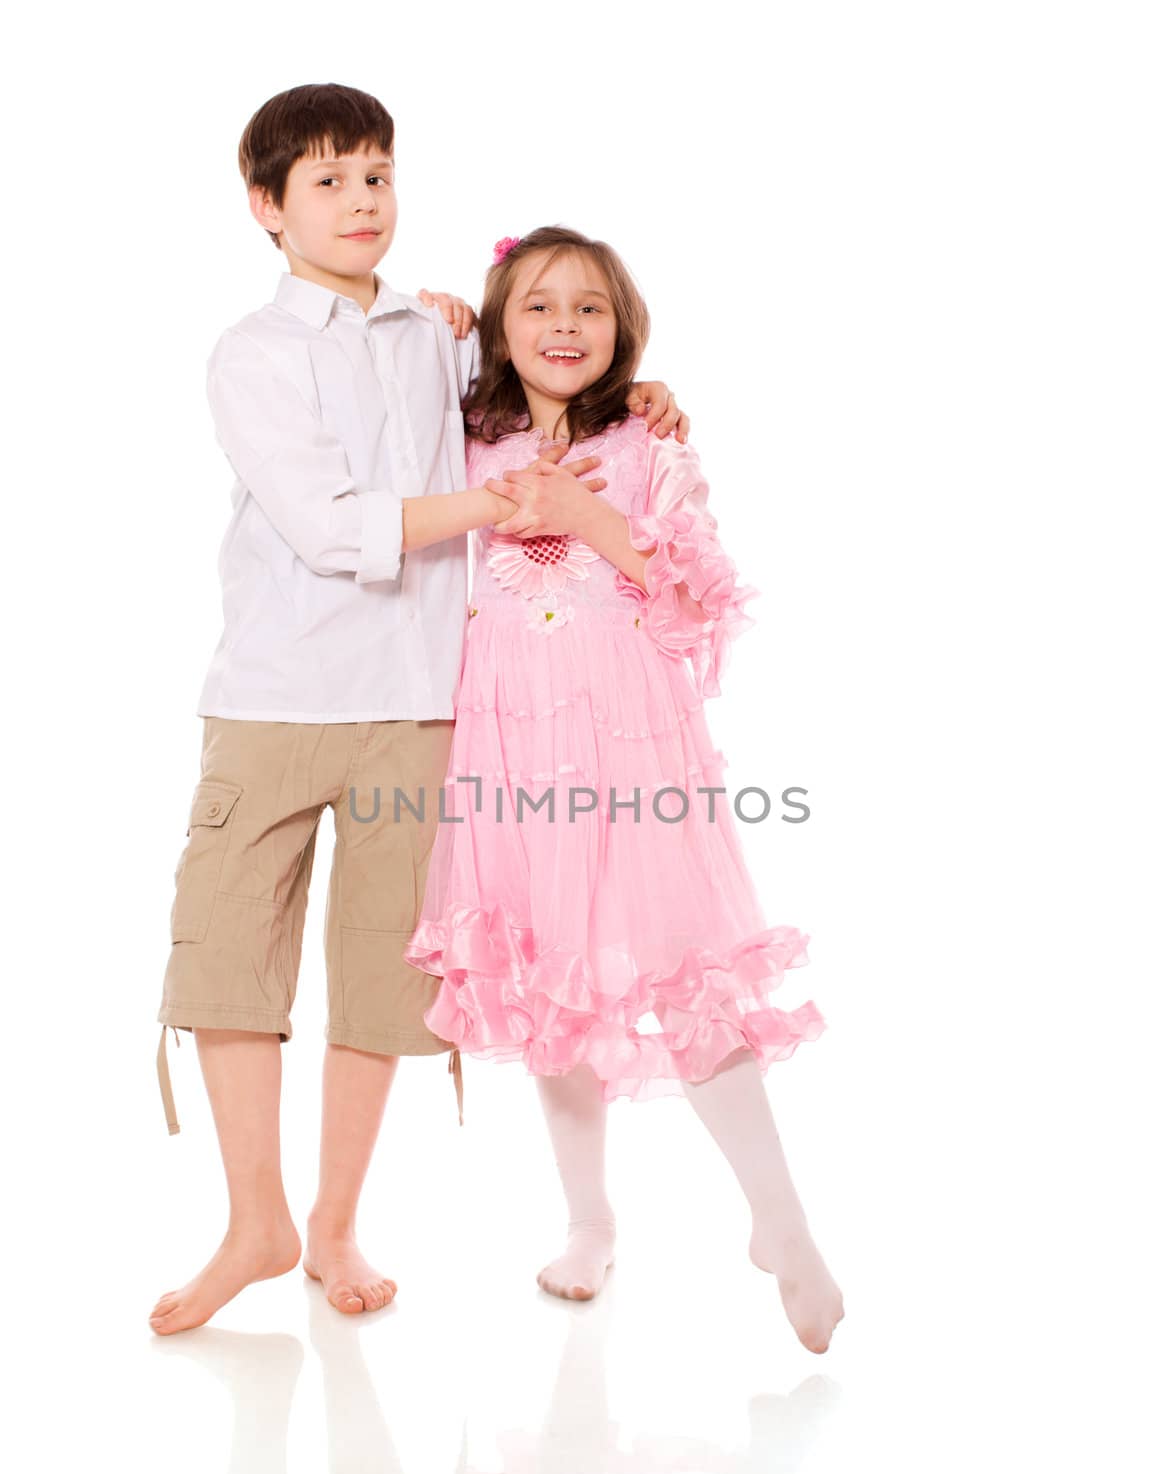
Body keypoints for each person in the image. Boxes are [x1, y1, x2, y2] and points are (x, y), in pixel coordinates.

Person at [149, 89, 684, 1336]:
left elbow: (553, 390)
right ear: (266, 207)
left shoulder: (444, 337)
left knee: (385, 983)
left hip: (423, 708)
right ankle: (254, 1222)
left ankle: (332, 1226)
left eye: (378, 176)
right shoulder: (253, 353)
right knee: (229, 962)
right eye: (329, 182)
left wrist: (649, 398)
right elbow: (333, 526)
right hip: (274, 698)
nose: (361, 201)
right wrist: (488, 514)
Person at [402, 227, 844, 1353]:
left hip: (631, 745)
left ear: (623, 328)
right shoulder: (463, 436)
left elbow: (699, 594)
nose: (563, 326)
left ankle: (781, 1218)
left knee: (685, 971)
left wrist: (590, 515)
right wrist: (432, 318)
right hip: (506, 747)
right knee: (552, 983)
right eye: (538, 306)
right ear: (502, 326)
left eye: (589, 308)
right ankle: (589, 1217)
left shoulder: (649, 441)